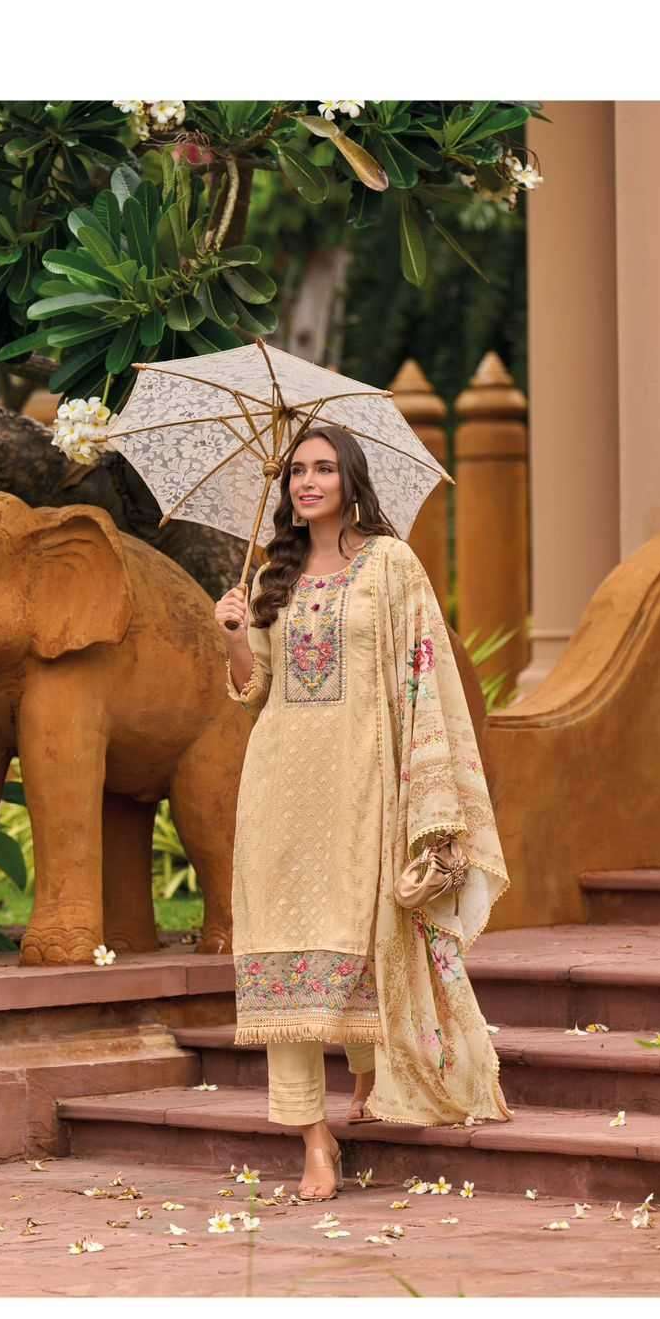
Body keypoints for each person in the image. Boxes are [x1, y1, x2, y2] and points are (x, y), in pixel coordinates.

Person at [214, 424, 512, 1202]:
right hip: (278, 785)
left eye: (322, 469)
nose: (307, 482)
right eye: (296, 471)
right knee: (284, 949)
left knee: (361, 929)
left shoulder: (390, 564)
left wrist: (426, 795)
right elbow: (253, 691)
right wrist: (237, 636)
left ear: (351, 480)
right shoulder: (270, 575)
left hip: (365, 783)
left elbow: (424, 673)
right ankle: (313, 1137)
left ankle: (372, 1070)